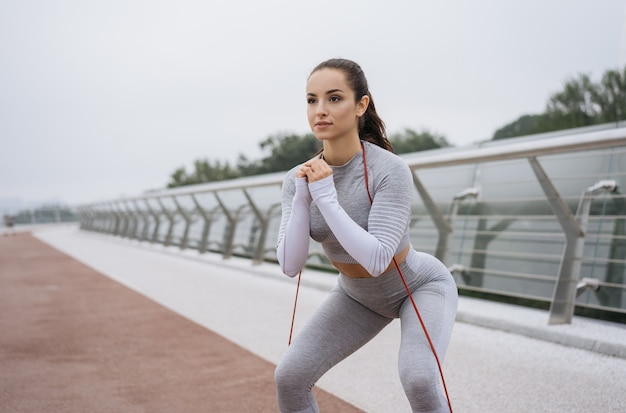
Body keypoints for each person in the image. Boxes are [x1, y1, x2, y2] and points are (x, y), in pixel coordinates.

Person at [274, 58, 458, 413]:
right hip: (356, 295)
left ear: (362, 105)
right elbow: (290, 265)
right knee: (289, 377)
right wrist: (302, 199)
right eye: (312, 100)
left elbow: (376, 261)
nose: (320, 110)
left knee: (419, 378)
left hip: (418, 287)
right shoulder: (298, 178)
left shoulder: (391, 170)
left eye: (334, 98)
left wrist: (325, 196)